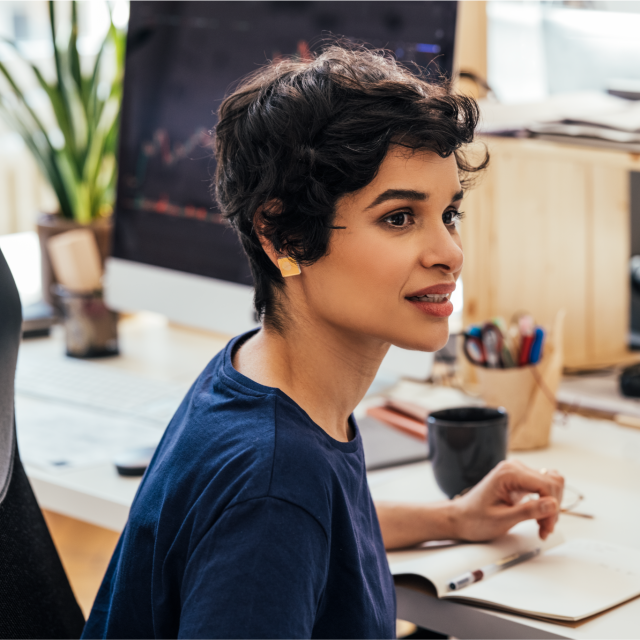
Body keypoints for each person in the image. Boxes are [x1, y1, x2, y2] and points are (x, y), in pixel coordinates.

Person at [83, 44, 564, 639]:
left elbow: (312, 535)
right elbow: (276, 523)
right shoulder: (276, 481)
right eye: (398, 218)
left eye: (449, 213)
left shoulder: (257, 374)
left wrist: (453, 518)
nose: (450, 253)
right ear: (281, 234)